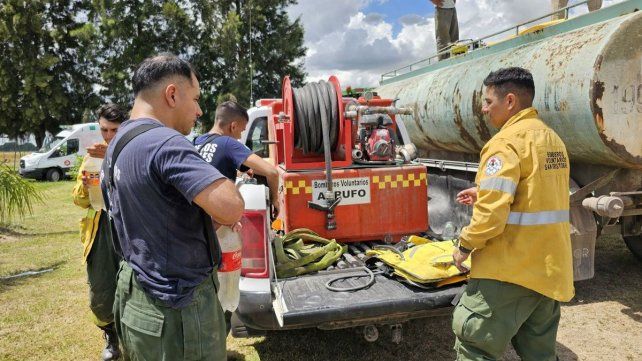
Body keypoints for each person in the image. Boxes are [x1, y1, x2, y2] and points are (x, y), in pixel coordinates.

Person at [101, 54, 244, 361]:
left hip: (138, 299)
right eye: (195, 99)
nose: (199, 110)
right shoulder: (165, 143)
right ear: (172, 94)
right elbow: (231, 206)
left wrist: (204, 220)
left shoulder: (118, 141)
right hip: (178, 314)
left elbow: (151, 213)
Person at [451, 67, 574, 360]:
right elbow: (537, 193)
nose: (483, 109)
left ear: (509, 101)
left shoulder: (504, 144)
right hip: (546, 270)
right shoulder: (551, 139)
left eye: (488, 102)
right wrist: (484, 192)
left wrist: (464, 246)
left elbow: (490, 217)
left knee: (475, 346)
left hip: (509, 270)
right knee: (540, 354)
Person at [72, 103, 126, 361]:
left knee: (131, 288)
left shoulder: (130, 152)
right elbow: (80, 201)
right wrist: (84, 186)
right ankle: (111, 338)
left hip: (128, 227)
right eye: (104, 129)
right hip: (100, 229)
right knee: (101, 291)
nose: (107, 136)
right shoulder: (91, 156)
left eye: (114, 130)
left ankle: (135, 338)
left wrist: (113, 158)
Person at [194, 100, 279, 217]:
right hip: (216, 219)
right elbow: (272, 172)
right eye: (241, 131)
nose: (240, 136)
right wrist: (275, 200)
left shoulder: (196, 142)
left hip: (193, 216)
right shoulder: (228, 143)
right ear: (233, 126)